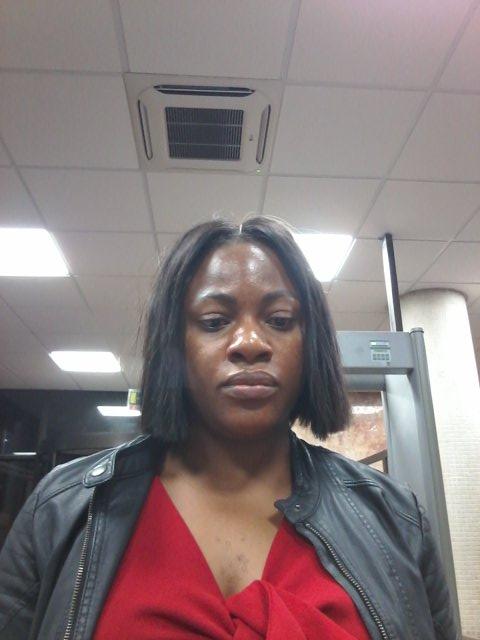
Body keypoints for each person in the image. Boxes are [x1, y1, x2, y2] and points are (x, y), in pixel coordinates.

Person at [0, 217, 459, 640]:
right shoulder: (61, 511)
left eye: (279, 321)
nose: (250, 343)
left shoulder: (395, 519)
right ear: (175, 343)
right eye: (215, 322)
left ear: (309, 343)